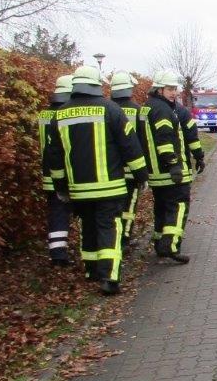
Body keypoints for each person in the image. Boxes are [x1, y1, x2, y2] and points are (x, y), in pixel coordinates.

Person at [45, 66, 148, 295]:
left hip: (79, 189)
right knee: (109, 227)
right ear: (96, 84)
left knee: (88, 227)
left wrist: (61, 187)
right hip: (110, 187)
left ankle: (91, 271)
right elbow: (130, 146)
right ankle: (110, 276)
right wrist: (141, 176)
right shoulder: (111, 110)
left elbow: (54, 156)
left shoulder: (59, 114)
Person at [141, 71, 193, 263]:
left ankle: (159, 242)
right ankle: (171, 246)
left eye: (175, 89)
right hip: (169, 172)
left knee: (161, 208)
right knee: (178, 206)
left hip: (156, 172)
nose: (174, 93)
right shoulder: (163, 110)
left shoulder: (147, 107)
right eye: (170, 89)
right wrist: (174, 165)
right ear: (159, 89)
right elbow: (165, 139)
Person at [39, 74, 75, 266]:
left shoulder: (43, 114)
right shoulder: (64, 114)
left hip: (47, 175)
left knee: (56, 213)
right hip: (65, 174)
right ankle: (63, 254)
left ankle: (57, 253)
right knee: (68, 211)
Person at [109, 71, 144, 250]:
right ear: (130, 89)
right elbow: (143, 141)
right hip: (133, 168)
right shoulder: (138, 110)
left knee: (113, 208)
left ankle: (115, 238)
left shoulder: (105, 109)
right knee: (129, 206)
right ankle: (125, 238)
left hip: (111, 171)